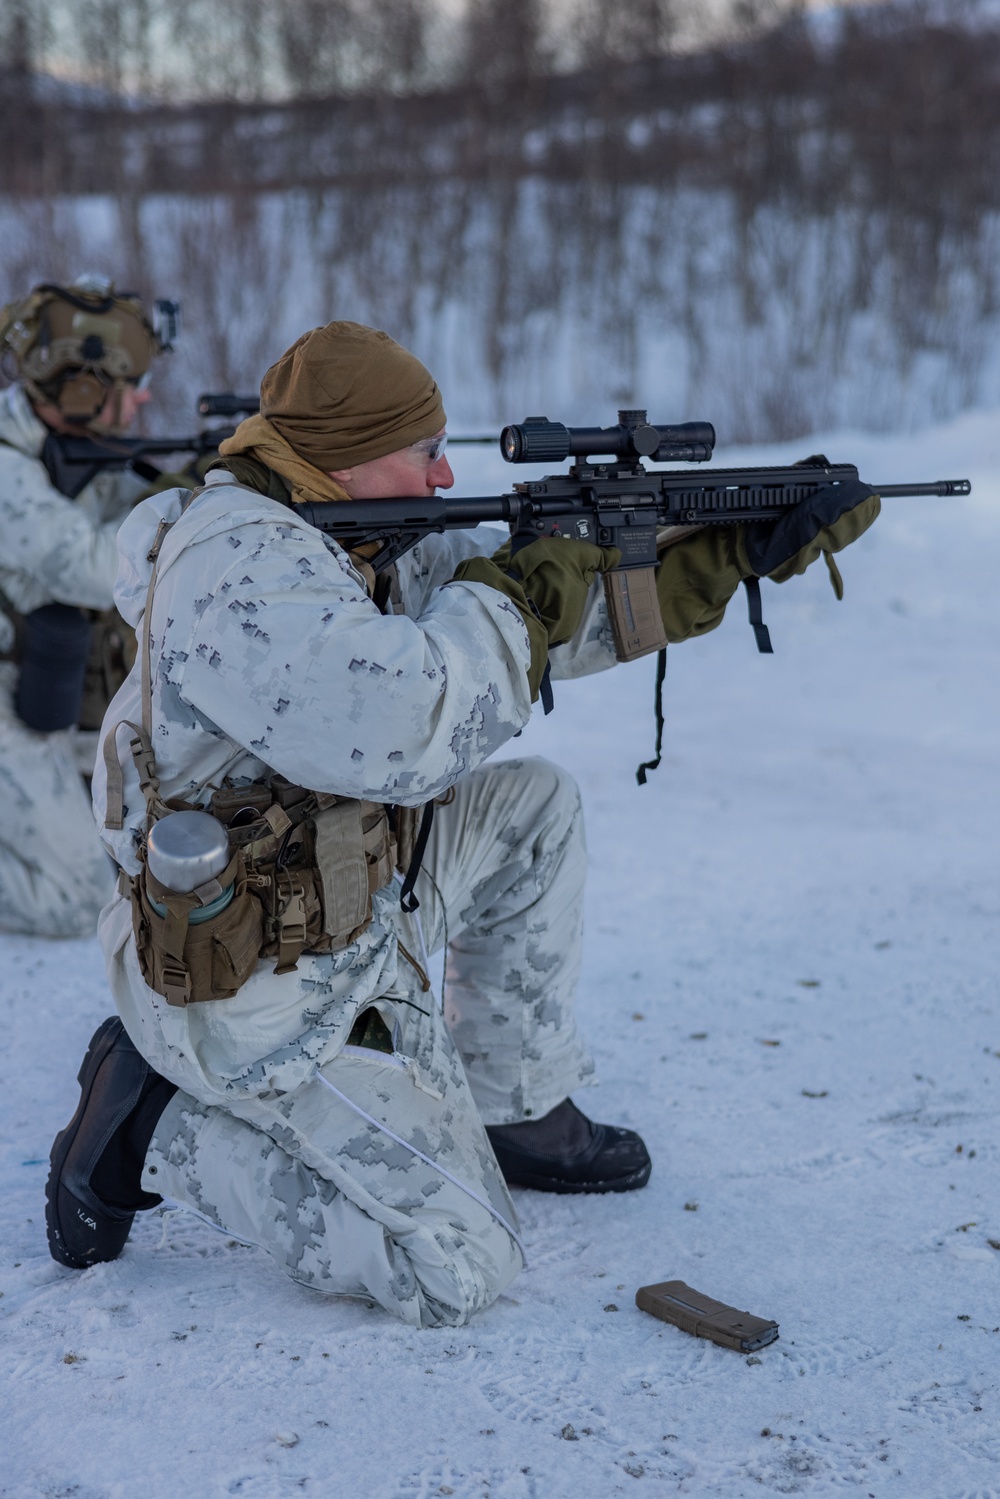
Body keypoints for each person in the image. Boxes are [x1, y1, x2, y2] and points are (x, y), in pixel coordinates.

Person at [45, 322, 878, 1327]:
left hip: (344, 892)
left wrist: (723, 557)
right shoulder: (240, 572)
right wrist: (524, 585)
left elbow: (535, 623)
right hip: (251, 972)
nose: (445, 474)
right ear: (346, 456)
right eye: (423, 449)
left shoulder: (351, 524)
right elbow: (413, 723)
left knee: (532, 809)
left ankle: (513, 1097)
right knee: (455, 1265)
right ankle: (157, 1120)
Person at [0, 276, 173, 937]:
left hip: (33, 685)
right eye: (131, 385)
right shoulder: (7, 473)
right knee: (76, 898)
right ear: (80, 391)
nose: (146, 397)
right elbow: (107, 570)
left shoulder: (50, 447)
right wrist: (184, 508)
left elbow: (107, 503)